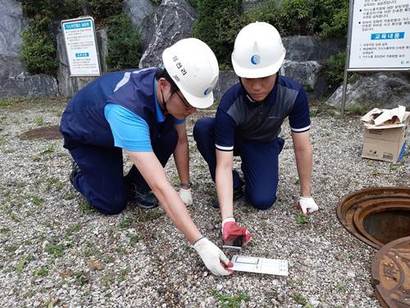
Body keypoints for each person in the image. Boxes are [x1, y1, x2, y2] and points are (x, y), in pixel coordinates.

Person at [60, 38, 232, 275]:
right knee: (111, 203)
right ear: (164, 85)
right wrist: (200, 242)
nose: (191, 111)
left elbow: (181, 141)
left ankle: (133, 185)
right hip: (89, 135)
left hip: (120, 126)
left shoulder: (171, 89)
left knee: (168, 136)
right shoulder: (126, 108)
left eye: (196, 105)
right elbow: (160, 185)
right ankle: (80, 173)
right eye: (188, 103)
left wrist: (185, 186)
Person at [193, 22, 319, 247]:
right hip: (233, 139)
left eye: (265, 77)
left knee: (262, 200)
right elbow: (223, 163)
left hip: (263, 141)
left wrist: (306, 194)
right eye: (249, 78)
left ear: (278, 69)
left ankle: (263, 159)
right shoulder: (229, 104)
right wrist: (227, 220)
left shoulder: (293, 94)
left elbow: (303, 146)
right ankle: (232, 185)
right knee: (203, 128)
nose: (257, 86)